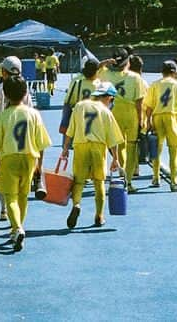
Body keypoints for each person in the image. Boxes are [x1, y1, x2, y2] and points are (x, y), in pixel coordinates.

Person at [0, 75, 50, 252]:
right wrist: (39, 165)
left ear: (5, 96)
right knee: (23, 196)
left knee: (10, 197)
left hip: (9, 158)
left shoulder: (3, 116)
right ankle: (18, 228)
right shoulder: (34, 114)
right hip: (30, 157)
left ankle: (17, 228)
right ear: (25, 93)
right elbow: (42, 143)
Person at [61, 82, 123, 229]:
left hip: (81, 145)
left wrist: (65, 149)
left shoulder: (80, 106)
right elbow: (113, 138)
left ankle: (76, 204)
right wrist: (116, 158)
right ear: (108, 97)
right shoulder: (106, 112)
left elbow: (70, 131)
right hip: (98, 146)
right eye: (112, 100)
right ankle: (99, 216)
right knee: (99, 181)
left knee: (79, 181)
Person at [144, 60, 177, 191]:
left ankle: (156, 177)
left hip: (157, 117)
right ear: (174, 72)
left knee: (156, 149)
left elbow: (149, 105)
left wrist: (148, 120)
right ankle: (174, 180)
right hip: (172, 116)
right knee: (174, 150)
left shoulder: (155, 84)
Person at [108, 53, 148, 192]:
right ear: (128, 63)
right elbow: (139, 101)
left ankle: (121, 174)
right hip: (131, 113)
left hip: (114, 112)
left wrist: (105, 63)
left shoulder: (107, 75)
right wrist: (141, 119)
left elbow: (95, 70)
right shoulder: (135, 77)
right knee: (132, 148)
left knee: (119, 147)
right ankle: (129, 182)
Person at [60, 59, 100, 137]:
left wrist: (64, 124)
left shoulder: (77, 82)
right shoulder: (100, 84)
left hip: (80, 121)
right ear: (96, 71)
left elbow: (68, 104)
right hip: (96, 122)